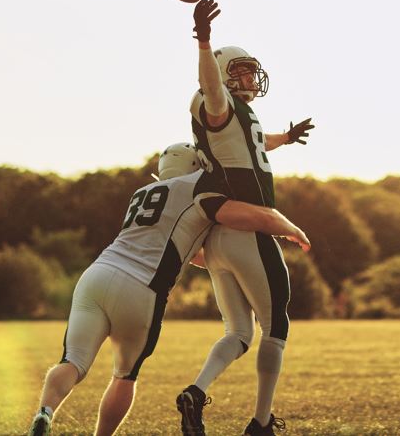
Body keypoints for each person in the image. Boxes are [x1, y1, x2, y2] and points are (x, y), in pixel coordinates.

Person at [27, 143, 310, 436]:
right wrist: (290, 227)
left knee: (73, 361)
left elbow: (183, 248)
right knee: (124, 376)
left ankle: (45, 413)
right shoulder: (199, 186)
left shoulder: (142, 193)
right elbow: (253, 215)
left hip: (97, 275)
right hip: (141, 288)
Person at [177, 0, 314, 436]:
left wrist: (286, 138)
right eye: (242, 71)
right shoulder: (216, 101)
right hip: (249, 229)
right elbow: (212, 89)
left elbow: (251, 143)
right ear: (222, 74)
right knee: (276, 325)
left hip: (218, 242)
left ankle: (196, 393)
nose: (251, 78)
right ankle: (260, 423)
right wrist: (203, 40)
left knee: (238, 331)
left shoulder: (239, 117)